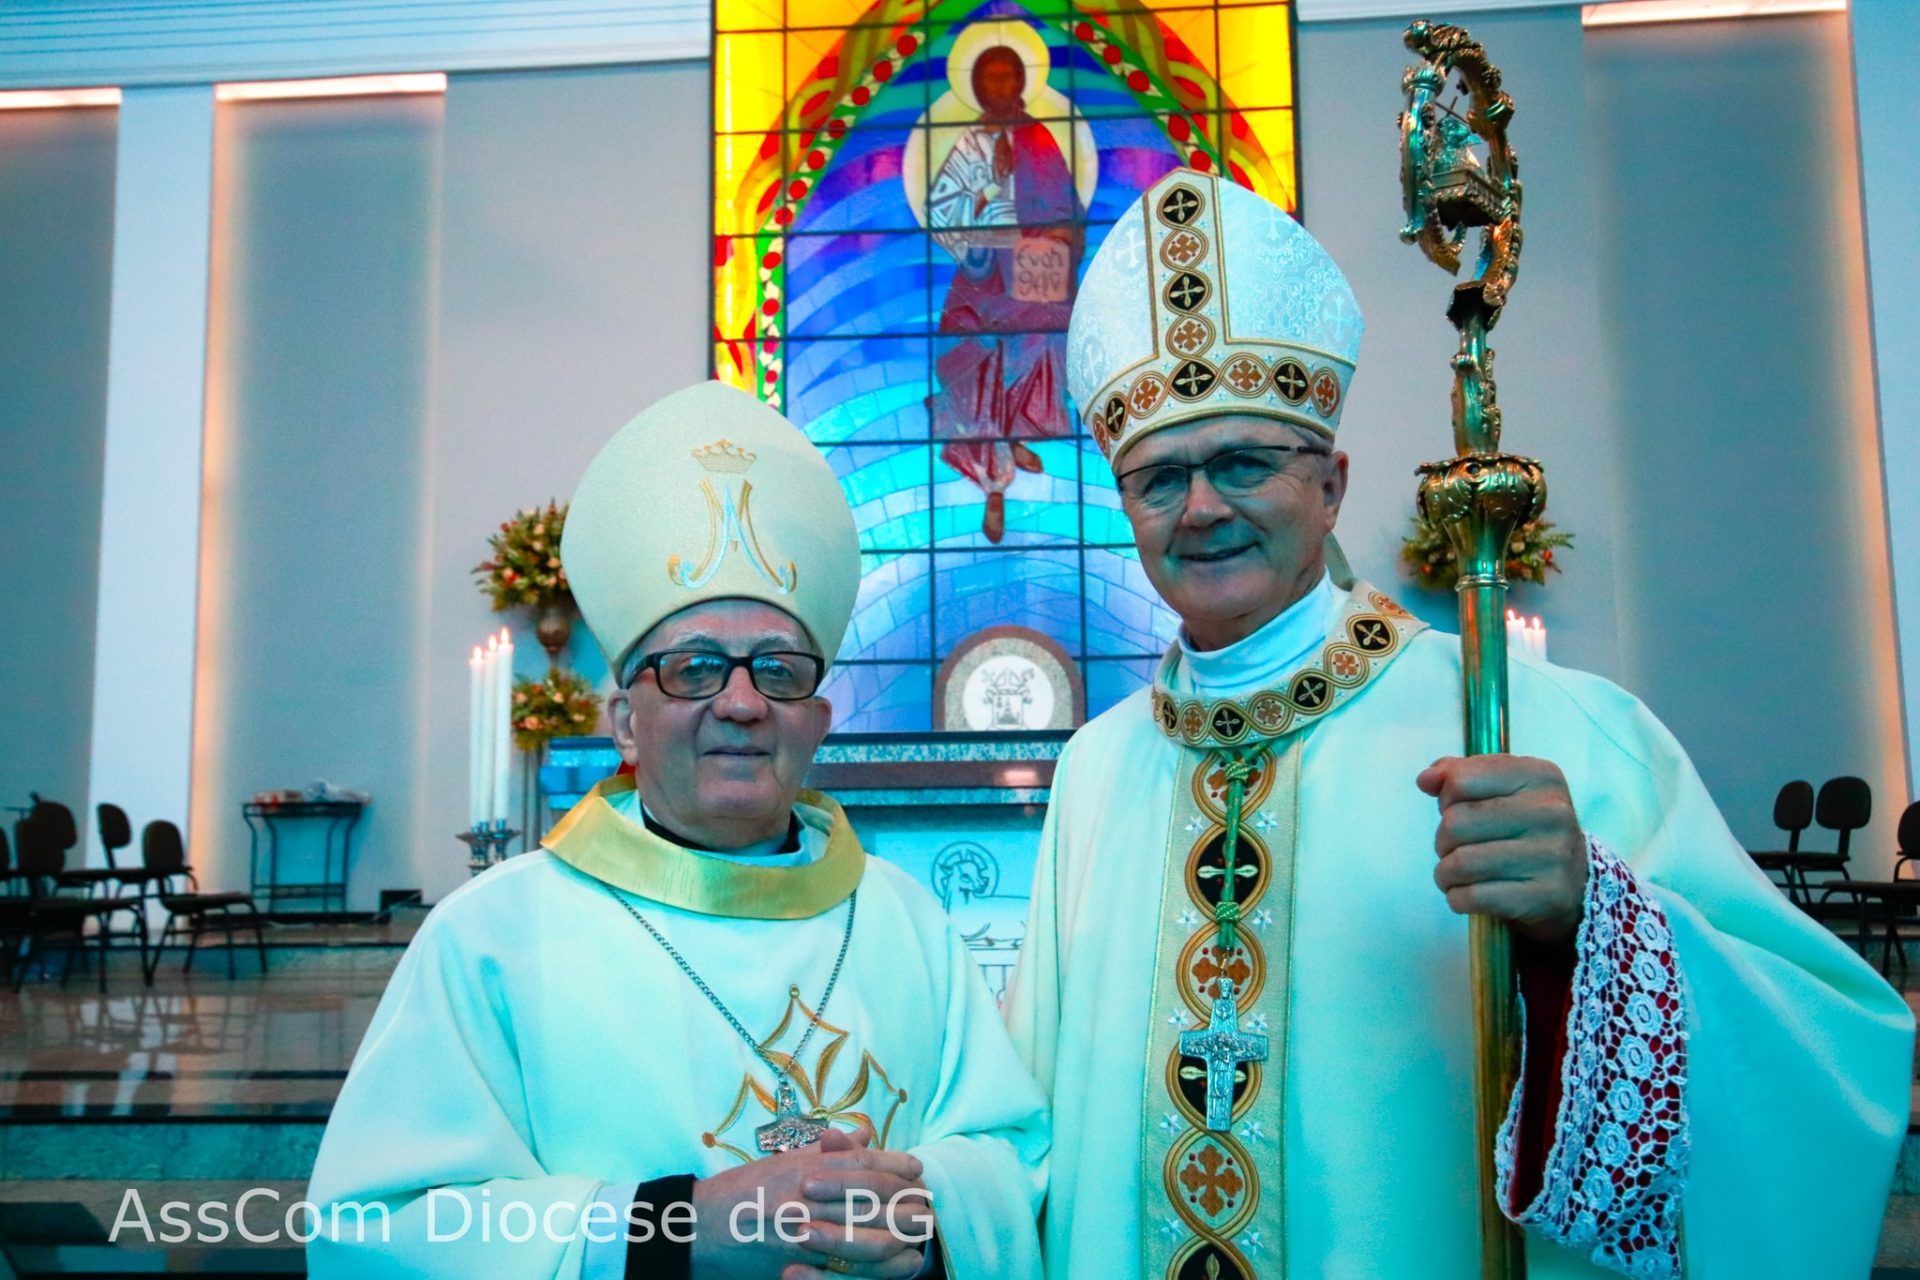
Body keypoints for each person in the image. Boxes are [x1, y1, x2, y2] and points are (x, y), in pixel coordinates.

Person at [1003, 169, 1913, 1278]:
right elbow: (1027, 1115)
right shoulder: (1097, 771)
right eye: (1158, 479)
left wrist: (1588, 923)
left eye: (1243, 461)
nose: (1200, 507)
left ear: (1330, 483)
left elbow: (1833, 1044)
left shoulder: (1532, 725)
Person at [308, 381, 1047, 1279]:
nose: (740, 702)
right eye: (695, 668)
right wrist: (678, 1227)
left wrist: (922, 1230)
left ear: (816, 718)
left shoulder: (908, 922)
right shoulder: (494, 936)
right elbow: (376, 1226)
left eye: (778, 669)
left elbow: (1018, 1160)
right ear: (624, 721)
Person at [925, 42, 1083, 543]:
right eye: (988, 78)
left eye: (1006, 77)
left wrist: (1059, 234)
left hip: (1035, 269)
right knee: (970, 355)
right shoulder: (970, 145)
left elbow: (1067, 209)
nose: (999, 87)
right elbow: (942, 212)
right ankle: (994, 479)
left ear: (1019, 83)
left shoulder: (1039, 138)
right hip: (982, 270)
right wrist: (986, 197)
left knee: (1037, 338)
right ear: (977, 88)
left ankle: (1013, 439)